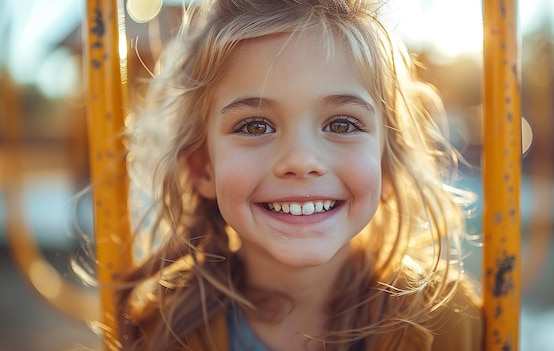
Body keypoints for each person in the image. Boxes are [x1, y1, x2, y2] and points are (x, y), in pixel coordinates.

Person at [116, 0, 483, 350]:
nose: (301, 160)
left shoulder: (447, 321)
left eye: (342, 123)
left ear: (387, 165)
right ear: (203, 169)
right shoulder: (161, 331)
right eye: (255, 126)